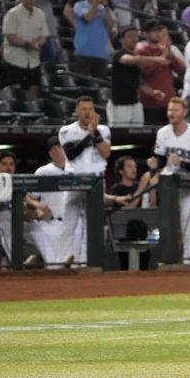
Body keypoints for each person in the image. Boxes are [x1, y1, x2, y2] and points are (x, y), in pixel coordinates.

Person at [0, 150, 50, 263]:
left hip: (0, 228)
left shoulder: (14, 185)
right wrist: (23, 216)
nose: (8, 167)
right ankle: (17, 264)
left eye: (11, 164)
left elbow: (23, 210)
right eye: (4, 164)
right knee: (7, 226)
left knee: (34, 225)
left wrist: (33, 215)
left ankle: (51, 260)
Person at [152, 97, 190, 264]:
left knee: (187, 227)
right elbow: (160, 159)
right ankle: (170, 263)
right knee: (168, 228)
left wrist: (181, 162)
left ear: (185, 112)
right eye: (169, 110)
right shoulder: (163, 133)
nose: (171, 113)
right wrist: (154, 163)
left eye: (175, 110)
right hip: (170, 187)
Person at [59, 96, 110, 266]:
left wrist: (95, 133)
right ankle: (63, 260)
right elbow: (71, 154)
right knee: (69, 222)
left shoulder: (104, 130)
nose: (87, 112)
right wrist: (89, 135)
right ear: (76, 111)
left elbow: (106, 153)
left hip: (95, 180)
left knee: (91, 225)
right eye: (84, 109)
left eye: (90, 108)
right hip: (74, 180)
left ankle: (87, 261)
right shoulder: (66, 130)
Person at [107, 26, 167, 127]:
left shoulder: (136, 57)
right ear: (122, 40)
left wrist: (152, 93)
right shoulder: (119, 54)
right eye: (130, 36)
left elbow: (139, 82)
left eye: (135, 36)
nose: (134, 39)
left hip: (135, 103)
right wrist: (157, 59)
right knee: (120, 137)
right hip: (120, 104)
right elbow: (129, 60)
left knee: (138, 135)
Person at [27, 137, 70, 268]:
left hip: (74, 223)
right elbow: (29, 197)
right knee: (54, 266)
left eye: (61, 147)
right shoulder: (43, 172)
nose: (59, 151)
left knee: (78, 265)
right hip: (52, 222)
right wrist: (39, 205)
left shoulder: (76, 170)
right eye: (55, 149)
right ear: (50, 153)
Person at [1, 0, 48, 100]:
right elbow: (10, 36)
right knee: (16, 87)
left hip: (33, 58)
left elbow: (44, 35)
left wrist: (37, 43)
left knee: (34, 86)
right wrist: (27, 44)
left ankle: (34, 109)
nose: (30, 0)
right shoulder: (12, 13)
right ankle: (17, 107)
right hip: (15, 57)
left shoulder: (40, 14)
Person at [136, 20, 186, 124]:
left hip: (168, 102)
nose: (157, 33)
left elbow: (181, 70)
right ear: (145, 34)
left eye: (158, 30)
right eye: (153, 31)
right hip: (150, 103)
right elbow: (146, 72)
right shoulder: (141, 50)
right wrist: (163, 55)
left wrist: (170, 53)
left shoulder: (165, 49)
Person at [73, 0, 115, 80]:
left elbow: (110, 24)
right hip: (84, 51)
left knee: (101, 84)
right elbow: (88, 18)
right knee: (83, 83)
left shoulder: (103, 8)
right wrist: (97, 0)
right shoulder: (79, 5)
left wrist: (105, 4)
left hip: (101, 53)